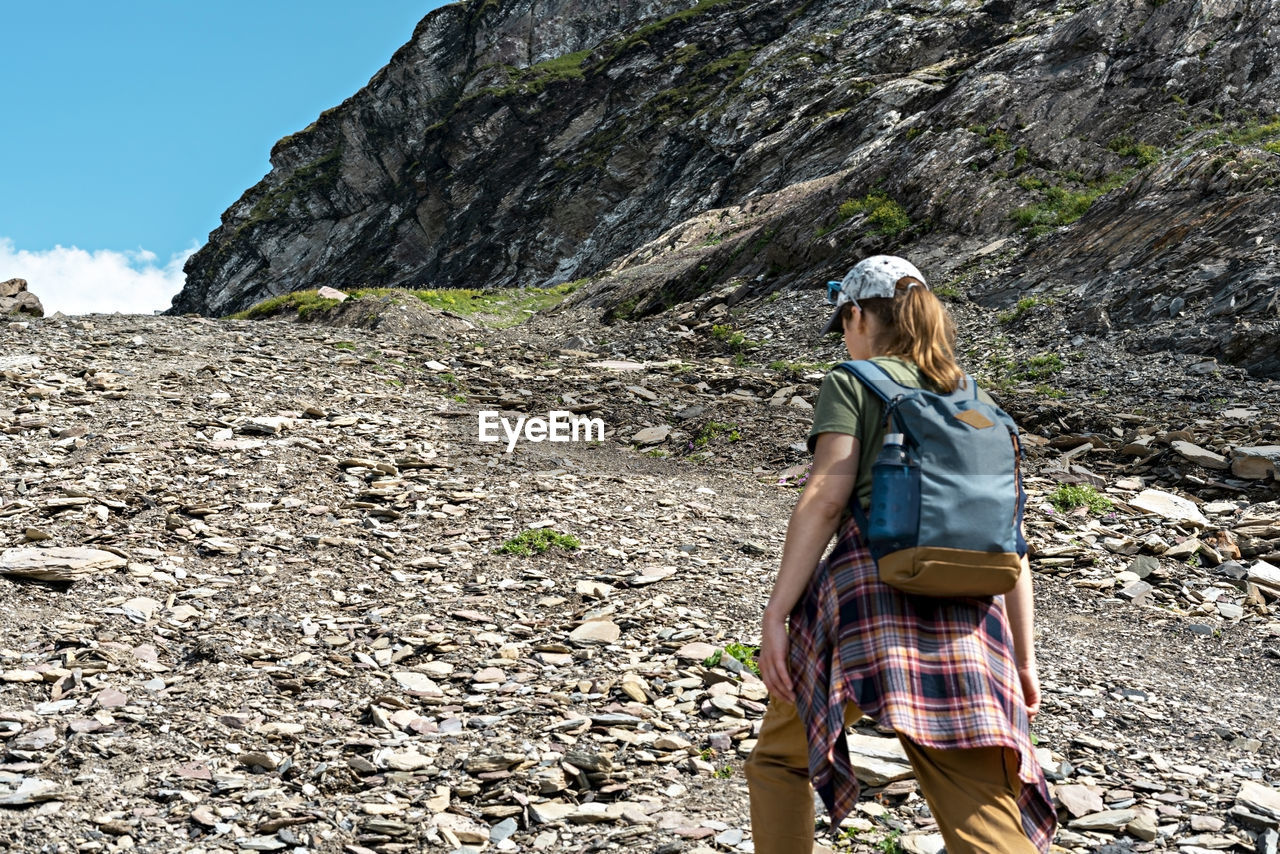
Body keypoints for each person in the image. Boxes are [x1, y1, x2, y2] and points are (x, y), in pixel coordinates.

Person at [744, 255, 1056, 854]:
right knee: (983, 809)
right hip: (972, 617)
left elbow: (826, 498)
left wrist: (775, 615)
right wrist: (1023, 658)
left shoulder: (853, 382)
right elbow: (1011, 540)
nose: (844, 336)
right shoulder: (980, 404)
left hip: (868, 601)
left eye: (843, 323)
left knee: (781, 761)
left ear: (857, 315)